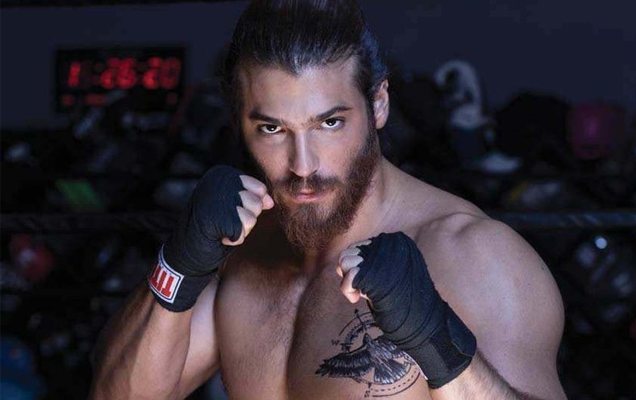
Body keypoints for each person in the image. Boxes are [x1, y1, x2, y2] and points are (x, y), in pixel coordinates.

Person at [90, 1, 567, 399]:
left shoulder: (476, 255)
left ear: (378, 104)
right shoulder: (241, 251)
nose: (303, 165)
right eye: (272, 129)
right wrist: (180, 262)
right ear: (240, 124)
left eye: (329, 123)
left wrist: (434, 338)